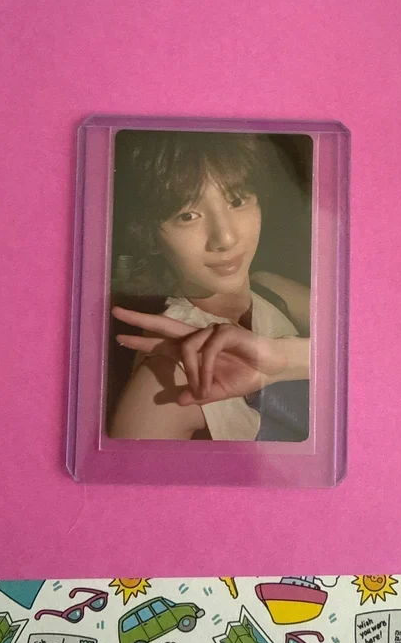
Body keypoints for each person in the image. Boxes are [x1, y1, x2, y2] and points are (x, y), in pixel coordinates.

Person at [109, 130, 311, 441]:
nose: (225, 238)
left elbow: (376, 356)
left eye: (237, 200)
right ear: (148, 235)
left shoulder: (271, 289)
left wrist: (283, 358)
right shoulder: (164, 381)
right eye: (187, 215)